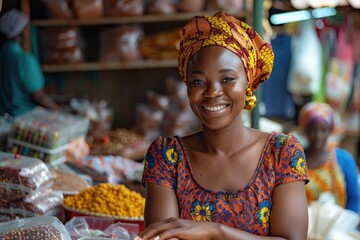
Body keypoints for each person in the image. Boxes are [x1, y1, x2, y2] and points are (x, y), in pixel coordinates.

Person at [136, 11, 309, 240]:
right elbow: (162, 237)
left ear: (248, 81)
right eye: (198, 81)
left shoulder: (282, 153)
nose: (212, 92)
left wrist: (214, 231)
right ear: (186, 85)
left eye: (227, 79)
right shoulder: (167, 157)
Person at [298, 101, 359, 213]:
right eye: (313, 130)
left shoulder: (343, 160)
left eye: (323, 130)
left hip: (340, 228)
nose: (318, 136)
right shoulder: (296, 161)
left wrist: (348, 224)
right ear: (305, 130)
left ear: (330, 131)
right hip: (306, 228)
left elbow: (354, 200)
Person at [0, 8, 60, 117]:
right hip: (26, 121)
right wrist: (61, 112)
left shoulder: (3, 55)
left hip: (4, 120)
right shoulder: (25, 60)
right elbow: (40, 97)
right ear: (21, 34)